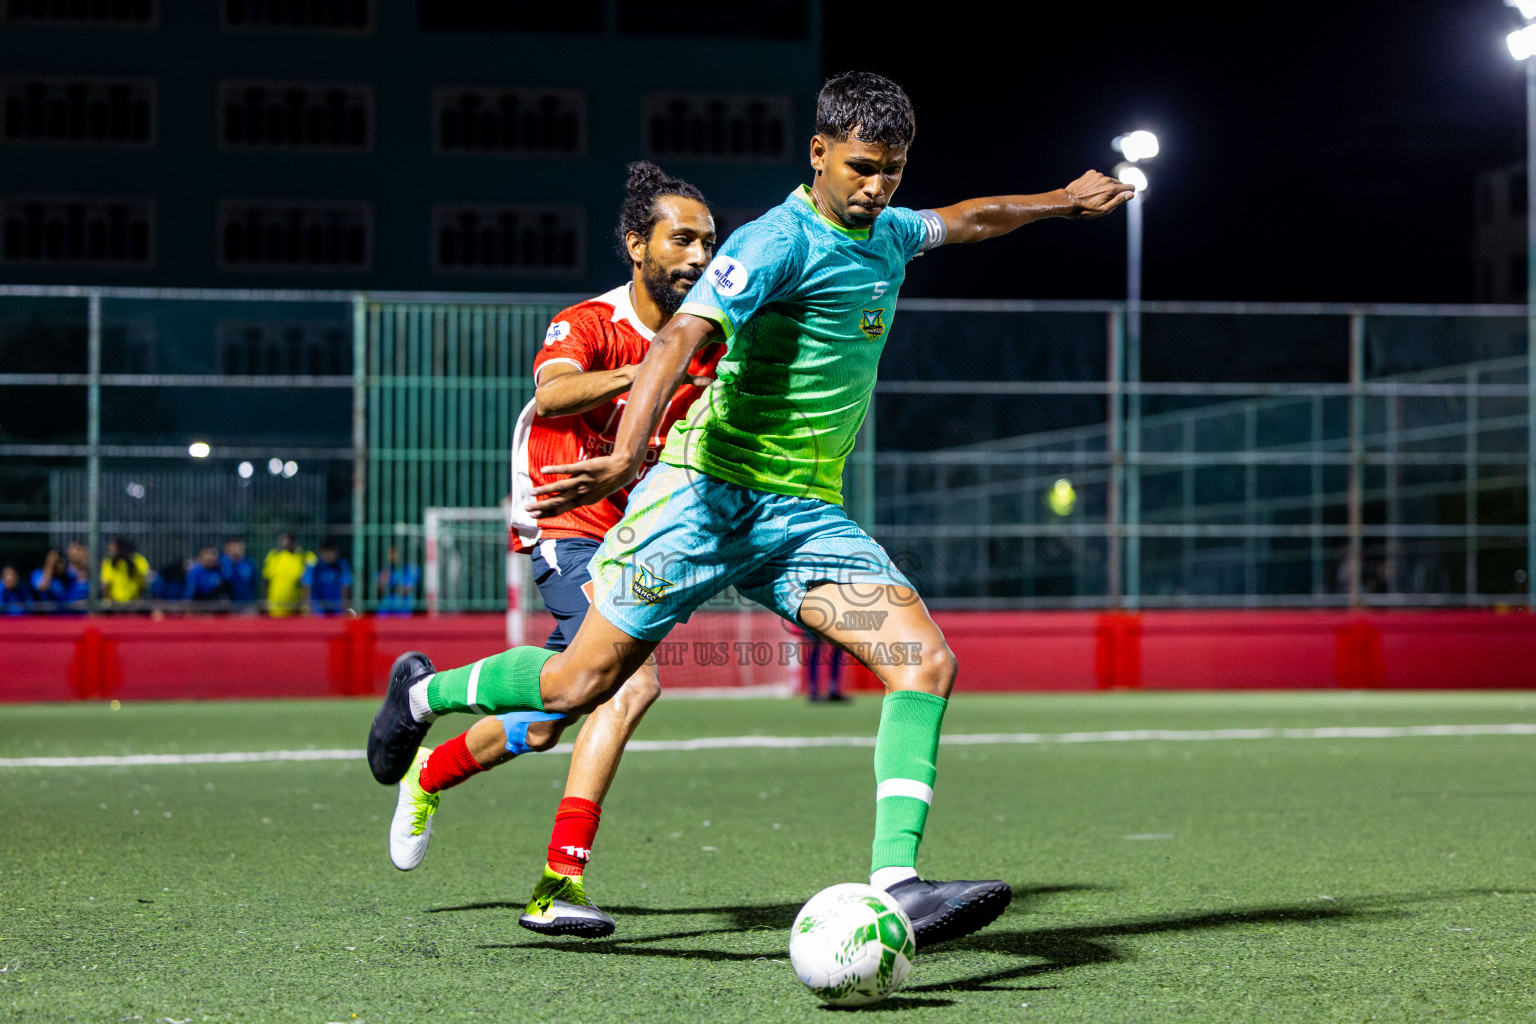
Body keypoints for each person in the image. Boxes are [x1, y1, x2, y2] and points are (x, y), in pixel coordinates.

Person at [368, 71, 1132, 946]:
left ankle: (898, 883)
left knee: (923, 661)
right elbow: (685, 335)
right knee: (578, 683)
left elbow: (967, 218)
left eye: (892, 169)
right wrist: (624, 452)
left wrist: (1063, 202)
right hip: (699, 500)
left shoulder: (887, 231)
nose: (877, 186)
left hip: (801, 517)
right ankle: (425, 696)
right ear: (818, 153)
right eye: (860, 167)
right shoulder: (774, 242)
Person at [382, 163, 723, 934]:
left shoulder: (711, 338)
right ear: (638, 245)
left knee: (551, 717)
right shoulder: (587, 321)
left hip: (643, 534)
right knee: (633, 689)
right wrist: (652, 370)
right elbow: (555, 392)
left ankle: (428, 762)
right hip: (565, 518)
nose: (699, 255)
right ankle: (558, 884)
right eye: (681, 239)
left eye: (708, 240)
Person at [263, 533, 312, 616]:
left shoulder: (305, 558)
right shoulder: (274, 556)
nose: (285, 544)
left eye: (289, 541)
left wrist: (304, 605)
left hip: (296, 610)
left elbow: (308, 583)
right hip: (275, 609)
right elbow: (266, 580)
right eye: (283, 540)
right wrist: (265, 601)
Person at [32, 542, 89, 612]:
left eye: (61, 562)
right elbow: (43, 587)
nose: (60, 566)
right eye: (57, 563)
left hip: (67, 616)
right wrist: (50, 565)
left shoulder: (67, 577)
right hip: (47, 616)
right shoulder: (38, 573)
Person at [303, 539, 352, 615]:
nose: (329, 555)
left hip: (337, 608)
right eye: (327, 552)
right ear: (321, 552)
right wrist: (307, 607)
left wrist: (344, 607)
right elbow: (307, 586)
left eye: (332, 552)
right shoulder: (314, 566)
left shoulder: (342, 565)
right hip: (318, 609)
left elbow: (345, 588)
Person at [100, 537, 150, 608]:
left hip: (134, 606)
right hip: (113, 606)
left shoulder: (138, 561)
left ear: (121, 548)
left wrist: (138, 601)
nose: (110, 550)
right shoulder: (109, 563)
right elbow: (105, 585)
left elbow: (143, 584)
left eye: (113, 548)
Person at [375, 545, 420, 617]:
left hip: (403, 611)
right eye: (390, 553)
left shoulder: (409, 569)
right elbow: (377, 591)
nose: (392, 556)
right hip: (385, 612)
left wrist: (392, 587)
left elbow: (408, 589)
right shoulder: (383, 570)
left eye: (394, 552)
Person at [221, 536, 259, 611]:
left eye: (238, 548)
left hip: (248, 604)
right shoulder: (223, 563)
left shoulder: (250, 563)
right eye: (232, 548)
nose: (235, 551)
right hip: (228, 607)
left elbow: (255, 583)